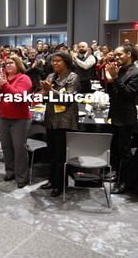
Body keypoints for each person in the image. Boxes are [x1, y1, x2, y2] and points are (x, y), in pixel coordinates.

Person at [105, 44, 138, 194]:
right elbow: (112, 93)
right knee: (115, 150)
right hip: (115, 115)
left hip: (126, 117)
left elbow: (128, 94)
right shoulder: (120, 70)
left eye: (120, 55)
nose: (117, 57)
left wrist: (115, 78)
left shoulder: (136, 73)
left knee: (124, 151)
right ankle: (119, 175)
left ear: (129, 54)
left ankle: (125, 182)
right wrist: (110, 81)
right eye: (115, 55)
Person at [39, 51, 79, 197]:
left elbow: (69, 98)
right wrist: (43, 94)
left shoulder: (73, 77)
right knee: (51, 153)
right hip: (51, 119)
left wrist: (52, 91)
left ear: (66, 63)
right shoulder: (50, 76)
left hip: (65, 120)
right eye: (53, 61)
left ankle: (60, 184)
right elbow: (45, 99)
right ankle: (51, 180)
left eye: (58, 61)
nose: (54, 63)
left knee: (61, 155)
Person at [0, 55, 32, 188]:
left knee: (19, 148)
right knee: (6, 147)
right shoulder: (3, 78)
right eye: (6, 63)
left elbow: (20, 96)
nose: (8, 65)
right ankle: (10, 172)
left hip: (20, 118)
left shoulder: (23, 78)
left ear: (18, 64)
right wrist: (0, 86)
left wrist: (5, 86)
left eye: (11, 63)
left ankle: (22, 177)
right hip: (4, 117)